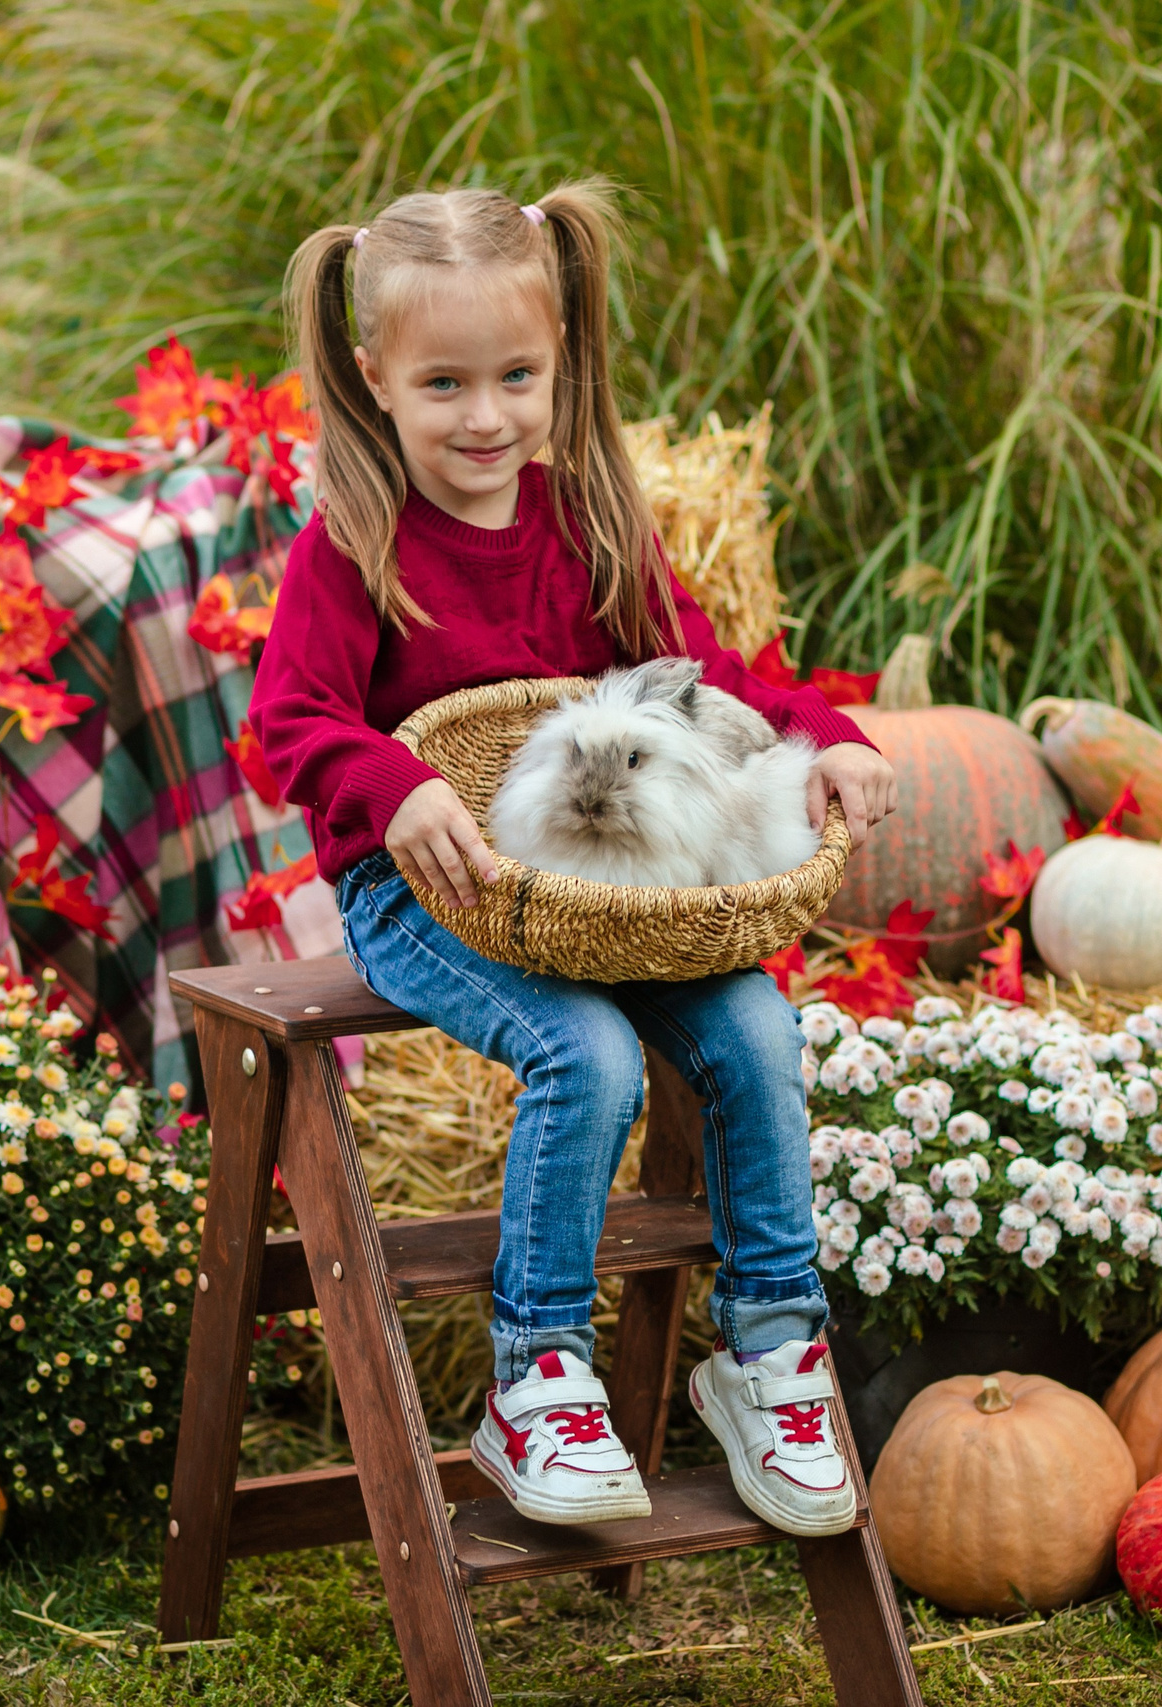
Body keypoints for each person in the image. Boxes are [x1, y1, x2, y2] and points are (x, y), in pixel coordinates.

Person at [249, 182, 897, 1536]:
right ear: (375, 379)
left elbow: (709, 672)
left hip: (611, 898)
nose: (484, 416)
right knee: (588, 1055)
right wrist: (392, 778)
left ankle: (770, 1348)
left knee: (760, 1030)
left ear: (558, 368)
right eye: (443, 382)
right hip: (425, 891)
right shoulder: (351, 546)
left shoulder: (588, 522)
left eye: (515, 377)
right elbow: (288, 723)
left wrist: (824, 735)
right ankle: (535, 1370)